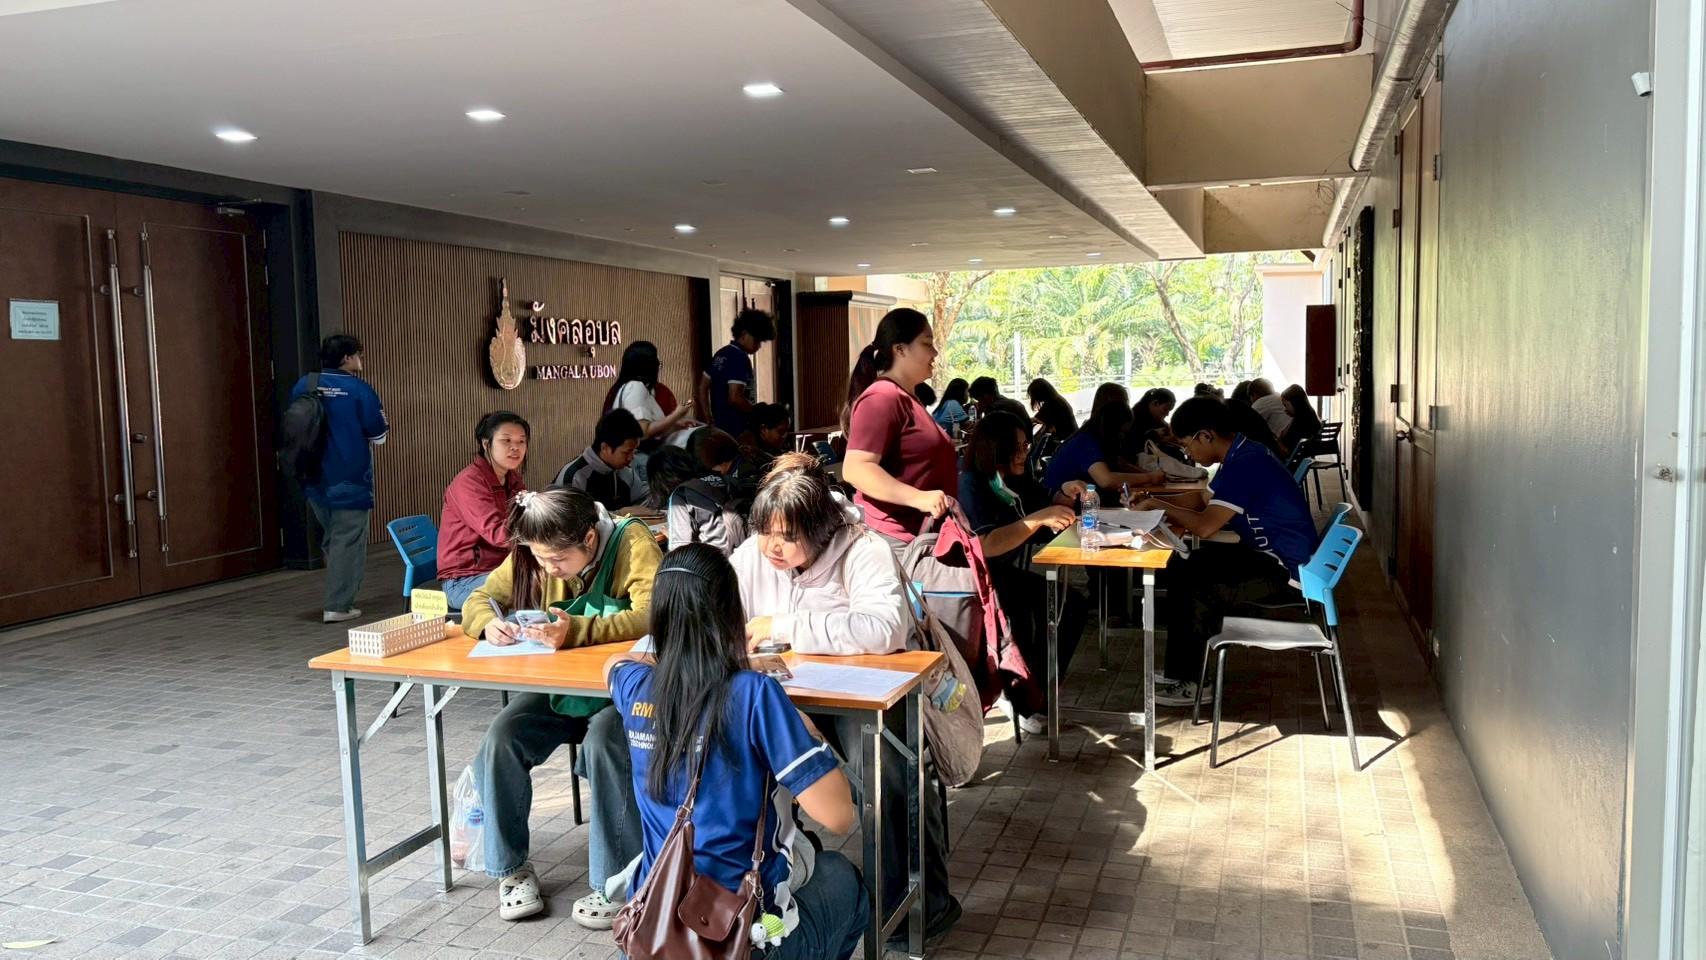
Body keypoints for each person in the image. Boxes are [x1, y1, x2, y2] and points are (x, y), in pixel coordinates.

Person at [733, 454, 960, 947]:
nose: (771, 547)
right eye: (764, 532)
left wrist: (785, 626)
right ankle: (773, 883)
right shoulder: (754, 554)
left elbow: (884, 629)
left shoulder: (864, 548)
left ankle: (914, 909)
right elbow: (726, 611)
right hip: (782, 693)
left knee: (888, 774)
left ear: (821, 529)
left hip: (866, 696)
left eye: (786, 536)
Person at [602, 544, 869, 960]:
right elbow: (838, 815)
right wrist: (807, 728)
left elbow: (615, 662)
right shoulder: (753, 695)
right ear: (731, 613)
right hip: (739, 936)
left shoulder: (635, 686)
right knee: (842, 878)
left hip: (653, 928)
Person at [461, 488, 663, 922]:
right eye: (540, 559)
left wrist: (577, 632)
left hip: (620, 691)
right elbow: (479, 598)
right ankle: (511, 869)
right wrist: (488, 623)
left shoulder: (632, 541)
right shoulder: (535, 552)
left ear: (589, 539)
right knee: (502, 738)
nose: (548, 568)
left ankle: (616, 882)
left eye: (557, 560)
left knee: (605, 742)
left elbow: (653, 613)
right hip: (562, 687)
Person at [1133, 397, 1320, 707]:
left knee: (1199, 585)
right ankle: (1181, 669)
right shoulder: (1240, 453)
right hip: (1271, 558)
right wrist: (1151, 500)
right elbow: (1201, 501)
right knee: (1184, 566)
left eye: (1187, 445)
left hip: (1286, 574)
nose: (1188, 454)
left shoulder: (1247, 463)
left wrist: (1157, 505)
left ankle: (1195, 683)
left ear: (1206, 435)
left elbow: (1205, 526)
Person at [957, 410, 1089, 731]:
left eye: (1026, 446)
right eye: (1017, 448)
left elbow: (1044, 502)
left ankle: (1035, 690)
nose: (1024, 453)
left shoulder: (1014, 477)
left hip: (1003, 572)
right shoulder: (971, 483)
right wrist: (1037, 520)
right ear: (995, 448)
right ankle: (1020, 694)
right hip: (975, 577)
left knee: (1069, 606)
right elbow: (986, 543)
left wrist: (1065, 494)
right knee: (1028, 612)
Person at [290, 334, 387, 623]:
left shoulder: (305, 384)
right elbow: (378, 434)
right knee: (348, 540)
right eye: (358, 354)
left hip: (312, 476)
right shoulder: (359, 389)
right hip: (349, 478)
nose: (361, 360)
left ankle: (338, 589)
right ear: (347, 357)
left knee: (334, 536)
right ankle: (338, 605)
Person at [842, 308, 957, 546]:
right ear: (900, 349)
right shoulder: (882, 397)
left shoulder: (906, 397)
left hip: (919, 536)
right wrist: (918, 498)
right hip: (896, 542)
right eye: (927, 343)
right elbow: (856, 469)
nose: (935, 352)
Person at [436, 411, 528, 609]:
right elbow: (499, 534)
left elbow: (527, 517)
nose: (515, 447)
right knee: (537, 584)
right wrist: (543, 537)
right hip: (464, 581)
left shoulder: (512, 478)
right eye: (506, 441)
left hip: (500, 568)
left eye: (521, 441)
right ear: (486, 444)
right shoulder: (469, 482)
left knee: (554, 574)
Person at [1040, 401, 1166, 498]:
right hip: (1061, 502)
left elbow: (1120, 463)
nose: (1122, 437)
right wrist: (1149, 477)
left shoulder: (1090, 437)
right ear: (1112, 428)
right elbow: (1106, 480)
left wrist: (1148, 474)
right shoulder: (1086, 442)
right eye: (1121, 432)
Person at [650, 435, 747, 554]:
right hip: (742, 555)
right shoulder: (728, 480)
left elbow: (681, 552)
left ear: (660, 480)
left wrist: (672, 536)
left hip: (713, 561)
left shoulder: (681, 495)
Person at [702, 307, 776, 437]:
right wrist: (757, 413)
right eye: (757, 340)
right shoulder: (740, 358)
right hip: (736, 429)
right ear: (744, 334)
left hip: (719, 428)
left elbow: (702, 387)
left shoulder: (721, 353)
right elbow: (735, 398)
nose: (758, 346)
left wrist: (708, 416)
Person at [605, 341, 698, 446]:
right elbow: (643, 433)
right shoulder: (636, 387)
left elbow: (651, 430)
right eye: (656, 362)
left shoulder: (637, 388)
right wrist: (676, 415)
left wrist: (673, 425)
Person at [554, 410, 647, 509]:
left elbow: (646, 498)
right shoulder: (574, 477)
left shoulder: (625, 472)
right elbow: (567, 517)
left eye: (634, 451)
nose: (631, 457)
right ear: (605, 448)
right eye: (626, 452)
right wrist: (618, 514)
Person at [1028, 394, 1077, 478]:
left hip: (1064, 438)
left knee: (1040, 451)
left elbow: (1036, 419)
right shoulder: (1058, 400)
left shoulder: (1051, 403)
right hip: (1070, 435)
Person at [1132, 387, 1183, 460]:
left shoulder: (1156, 419)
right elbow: (1134, 444)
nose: (1167, 414)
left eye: (1169, 410)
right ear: (1155, 403)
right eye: (1165, 409)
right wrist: (1154, 434)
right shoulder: (1134, 418)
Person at [1279, 383, 1323, 457]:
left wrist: (1278, 443)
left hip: (1292, 459)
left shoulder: (1301, 422)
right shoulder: (1309, 414)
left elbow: (1288, 451)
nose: (1285, 409)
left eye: (1285, 405)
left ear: (1294, 403)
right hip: (1304, 457)